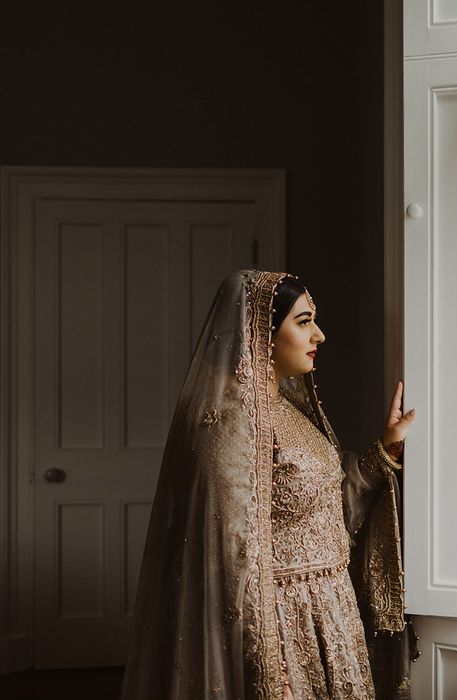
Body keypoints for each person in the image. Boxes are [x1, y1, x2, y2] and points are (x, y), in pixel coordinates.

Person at [121, 270, 416, 700]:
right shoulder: (226, 422)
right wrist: (267, 662)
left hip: (328, 613)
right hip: (279, 626)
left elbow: (322, 507)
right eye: (304, 321)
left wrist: (384, 451)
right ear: (261, 332)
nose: (320, 335)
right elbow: (223, 560)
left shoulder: (285, 408)